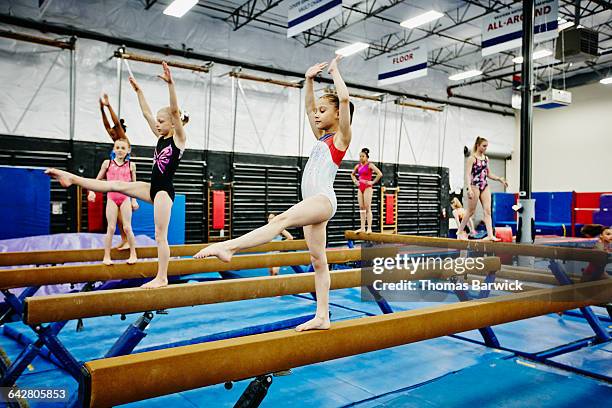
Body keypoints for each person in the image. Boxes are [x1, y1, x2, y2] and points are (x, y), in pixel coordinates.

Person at [194, 56, 353, 331]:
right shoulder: (322, 138)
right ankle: (323, 315)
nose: (316, 114)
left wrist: (335, 71)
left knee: (278, 221)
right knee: (318, 260)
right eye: (317, 111)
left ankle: (228, 247)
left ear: (338, 114)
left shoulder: (341, 137)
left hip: (323, 200)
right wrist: (309, 81)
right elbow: (307, 109)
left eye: (323, 110)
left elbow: (346, 99)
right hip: (314, 203)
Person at [46, 62, 188, 289]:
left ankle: (162, 277)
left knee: (160, 236)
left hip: (164, 192)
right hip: (152, 187)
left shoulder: (178, 138)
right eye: (158, 122)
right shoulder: (160, 136)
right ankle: (72, 179)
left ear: (173, 122)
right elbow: (145, 113)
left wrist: (171, 84)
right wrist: (139, 92)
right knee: (115, 184)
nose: (158, 125)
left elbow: (173, 110)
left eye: (162, 122)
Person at [88, 138, 138, 265]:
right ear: (113, 149)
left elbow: (134, 184)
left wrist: (134, 200)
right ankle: (106, 256)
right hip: (112, 198)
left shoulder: (131, 165)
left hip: (125, 198)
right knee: (110, 228)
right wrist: (92, 191)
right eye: (117, 148)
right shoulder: (107, 163)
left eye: (123, 148)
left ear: (128, 150)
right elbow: (98, 180)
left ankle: (133, 254)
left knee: (127, 227)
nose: (120, 150)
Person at [98, 93, 133, 250]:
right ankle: (124, 239)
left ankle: (127, 240)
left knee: (123, 218)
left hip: (124, 178)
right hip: (115, 180)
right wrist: (101, 109)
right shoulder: (116, 143)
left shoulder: (123, 140)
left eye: (112, 133)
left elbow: (114, 123)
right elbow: (107, 125)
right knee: (117, 219)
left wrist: (108, 105)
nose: (110, 134)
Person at [456, 137, 507, 241]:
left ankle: (490, 235)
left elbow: (488, 173)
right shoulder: (472, 159)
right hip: (474, 185)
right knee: (471, 211)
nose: (485, 148)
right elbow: (467, 175)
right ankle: (460, 231)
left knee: (487, 211)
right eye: (484, 146)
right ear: (478, 145)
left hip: (484, 185)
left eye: (486, 146)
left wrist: (499, 179)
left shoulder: (486, 158)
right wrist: (469, 188)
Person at [351, 147, 382, 233]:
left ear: (367, 157)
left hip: (368, 188)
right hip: (360, 187)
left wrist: (372, 182)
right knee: (361, 207)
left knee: (368, 207)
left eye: (362, 156)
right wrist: (355, 181)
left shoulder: (370, 165)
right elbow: (352, 174)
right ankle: (362, 227)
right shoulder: (358, 166)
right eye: (360, 156)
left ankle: (369, 228)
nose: (361, 158)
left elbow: (379, 174)